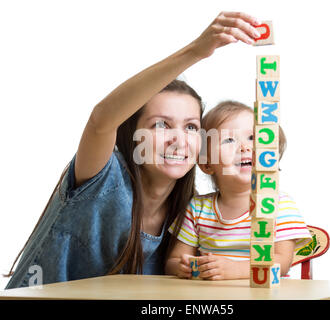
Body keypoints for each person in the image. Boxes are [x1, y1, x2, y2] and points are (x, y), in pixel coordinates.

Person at [5, 12, 263, 288]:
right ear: (134, 136)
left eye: (190, 127)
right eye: (161, 125)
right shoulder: (103, 176)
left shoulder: (189, 213)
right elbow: (100, 120)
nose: (179, 140)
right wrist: (195, 51)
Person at [165, 101, 312, 280]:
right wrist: (185, 267)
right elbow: (172, 261)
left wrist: (235, 270)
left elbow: (282, 262)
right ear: (207, 163)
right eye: (229, 140)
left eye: (253, 138)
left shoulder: (279, 204)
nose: (245, 147)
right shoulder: (198, 208)